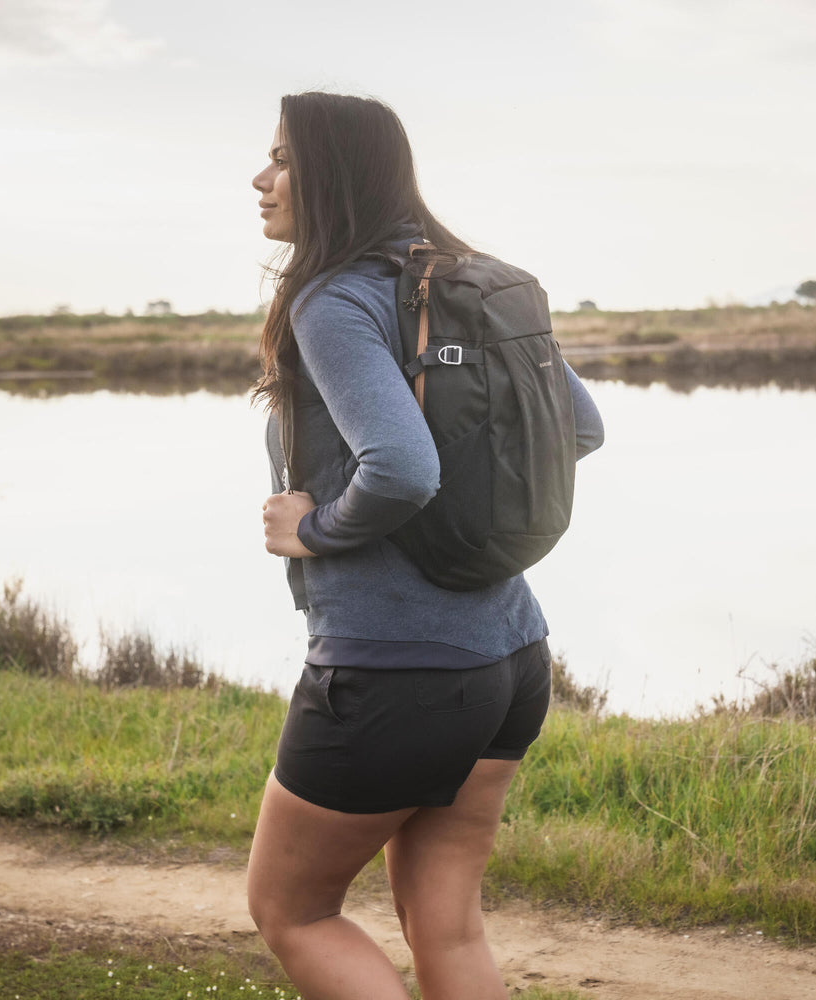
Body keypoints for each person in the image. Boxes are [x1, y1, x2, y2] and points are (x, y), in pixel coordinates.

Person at [244, 91, 604, 1000]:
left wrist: (316, 532)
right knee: (447, 925)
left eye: (283, 159)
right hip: (510, 658)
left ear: (334, 173)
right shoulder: (466, 282)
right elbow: (583, 428)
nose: (261, 178)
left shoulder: (335, 299)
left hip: (393, 670)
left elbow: (401, 469)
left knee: (295, 911)